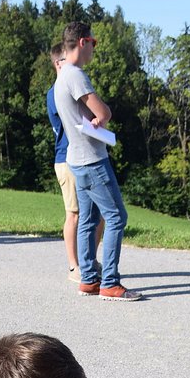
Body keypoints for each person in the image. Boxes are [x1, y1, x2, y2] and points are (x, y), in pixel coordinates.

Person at [54, 23, 141, 302]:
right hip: (92, 160)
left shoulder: (61, 76)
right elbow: (103, 113)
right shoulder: (75, 75)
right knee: (117, 217)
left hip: (76, 159)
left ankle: (89, 279)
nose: (94, 47)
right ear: (82, 42)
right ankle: (110, 283)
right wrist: (103, 115)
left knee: (89, 220)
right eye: (93, 42)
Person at [47, 43, 103, 284]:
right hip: (66, 158)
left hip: (83, 155)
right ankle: (74, 266)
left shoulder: (70, 85)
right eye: (66, 60)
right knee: (74, 215)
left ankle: (89, 260)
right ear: (58, 63)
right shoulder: (56, 91)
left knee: (98, 215)